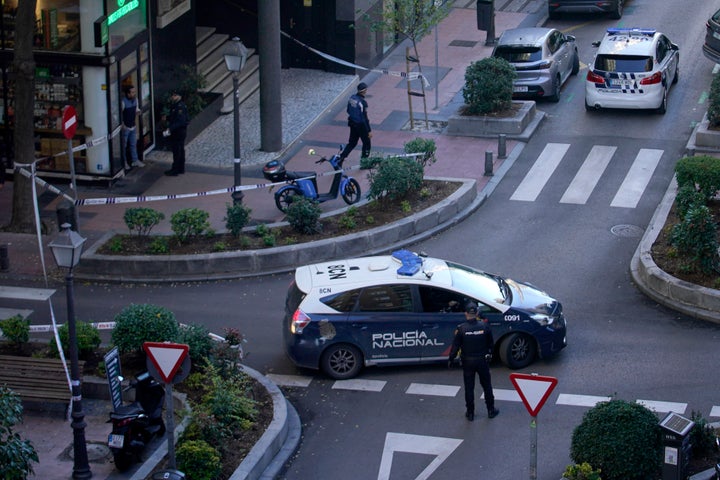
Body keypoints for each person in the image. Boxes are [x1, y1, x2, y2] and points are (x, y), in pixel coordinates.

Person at [448, 301, 499, 421]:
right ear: (476, 313)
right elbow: (491, 344)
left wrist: (451, 359)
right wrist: (490, 354)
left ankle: (470, 413)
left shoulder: (461, 329)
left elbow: (455, 346)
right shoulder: (484, 327)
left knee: (469, 388)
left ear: (466, 314)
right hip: (482, 361)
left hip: (468, 362)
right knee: (487, 386)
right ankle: (491, 410)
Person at [339, 82, 372, 162]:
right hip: (361, 125)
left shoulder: (352, 98)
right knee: (367, 143)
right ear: (364, 91)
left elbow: (348, 110)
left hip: (352, 123)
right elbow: (365, 118)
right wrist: (369, 130)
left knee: (352, 142)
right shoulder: (363, 103)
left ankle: (342, 157)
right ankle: (364, 161)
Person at [164, 89, 189, 176]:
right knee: (180, 150)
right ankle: (180, 168)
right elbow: (174, 117)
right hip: (179, 131)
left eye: (175, 95)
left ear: (179, 96)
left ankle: (176, 169)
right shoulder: (175, 105)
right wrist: (167, 118)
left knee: (177, 151)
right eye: (173, 95)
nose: (173, 97)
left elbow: (180, 121)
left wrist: (170, 129)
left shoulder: (180, 107)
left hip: (179, 132)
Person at [121, 85, 144, 169]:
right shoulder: (123, 102)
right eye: (132, 92)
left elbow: (136, 109)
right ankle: (124, 162)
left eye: (134, 92)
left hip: (133, 126)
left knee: (133, 144)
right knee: (124, 146)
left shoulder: (135, 100)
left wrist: (138, 111)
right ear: (128, 93)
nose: (134, 94)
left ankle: (135, 160)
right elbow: (118, 114)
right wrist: (122, 124)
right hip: (126, 127)